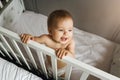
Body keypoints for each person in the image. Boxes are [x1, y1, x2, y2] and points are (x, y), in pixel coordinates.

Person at [20, 9, 75, 77]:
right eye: (61, 30)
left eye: (70, 30)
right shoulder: (46, 39)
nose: (66, 33)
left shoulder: (70, 42)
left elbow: (72, 56)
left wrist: (66, 52)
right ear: (50, 31)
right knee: (45, 75)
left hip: (63, 69)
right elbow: (34, 40)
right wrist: (29, 37)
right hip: (49, 66)